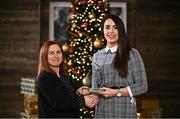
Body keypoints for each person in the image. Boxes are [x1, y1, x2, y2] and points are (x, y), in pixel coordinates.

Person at [82, 15, 148, 118]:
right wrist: (92, 96)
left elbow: (142, 86)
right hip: (102, 109)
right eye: (107, 27)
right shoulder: (97, 56)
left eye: (115, 27)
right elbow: (95, 87)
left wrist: (116, 92)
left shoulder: (132, 54)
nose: (111, 31)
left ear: (120, 31)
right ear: (103, 30)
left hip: (124, 108)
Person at [36, 41, 98, 118]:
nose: (56, 56)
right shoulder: (44, 78)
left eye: (58, 52)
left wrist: (78, 91)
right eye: (51, 53)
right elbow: (58, 103)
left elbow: (67, 95)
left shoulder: (63, 75)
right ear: (44, 56)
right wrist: (84, 100)